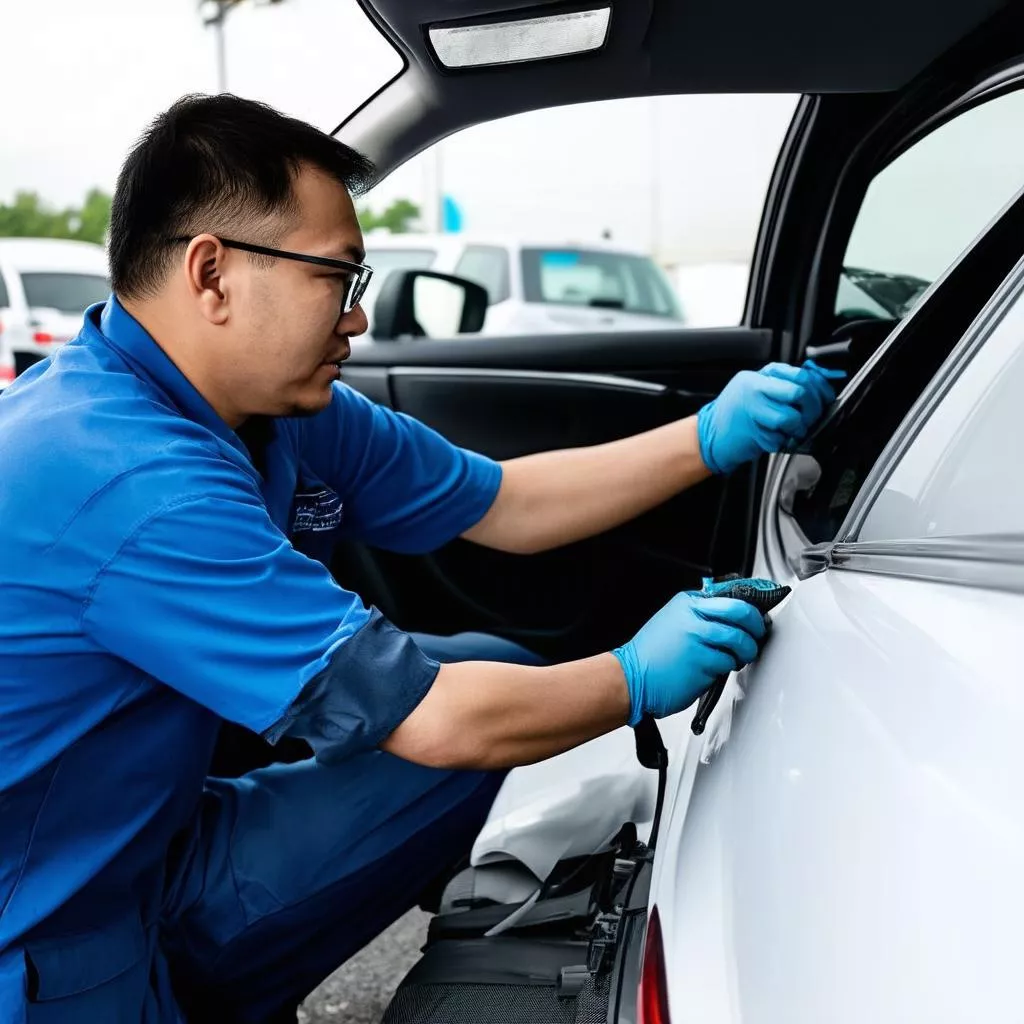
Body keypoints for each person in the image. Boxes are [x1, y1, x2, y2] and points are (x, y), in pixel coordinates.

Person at [0, 94, 841, 1024]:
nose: (355, 318)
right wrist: (634, 677)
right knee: (472, 707)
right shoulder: (126, 480)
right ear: (214, 274)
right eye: (339, 277)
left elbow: (507, 504)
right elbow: (436, 722)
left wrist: (711, 436)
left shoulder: (272, 411)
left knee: (499, 670)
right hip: (40, 925)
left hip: (152, 841)